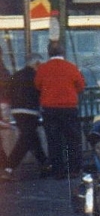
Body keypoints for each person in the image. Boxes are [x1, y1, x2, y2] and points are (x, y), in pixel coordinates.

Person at [35, 42, 85, 179]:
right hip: (69, 108)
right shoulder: (71, 67)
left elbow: (37, 85)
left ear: (48, 53)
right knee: (73, 139)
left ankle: (58, 171)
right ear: (63, 53)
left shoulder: (43, 68)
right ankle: (74, 169)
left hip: (50, 108)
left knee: (54, 140)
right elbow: (80, 85)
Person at [3, 53, 49, 180]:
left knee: (31, 137)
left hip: (16, 111)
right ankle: (9, 168)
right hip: (31, 111)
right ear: (37, 64)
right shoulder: (37, 76)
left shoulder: (16, 75)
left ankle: (45, 163)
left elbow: (8, 92)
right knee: (26, 139)